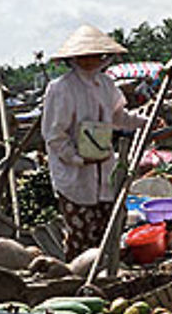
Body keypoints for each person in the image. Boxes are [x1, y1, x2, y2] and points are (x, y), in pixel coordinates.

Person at [42, 23, 147, 260]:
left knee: (108, 231)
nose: (89, 61)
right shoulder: (61, 88)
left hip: (105, 169)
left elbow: (118, 117)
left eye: (95, 56)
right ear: (74, 58)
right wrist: (78, 159)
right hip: (75, 175)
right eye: (83, 56)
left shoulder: (107, 85)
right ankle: (78, 277)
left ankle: (106, 275)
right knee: (81, 235)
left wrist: (144, 122)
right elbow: (54, 136)